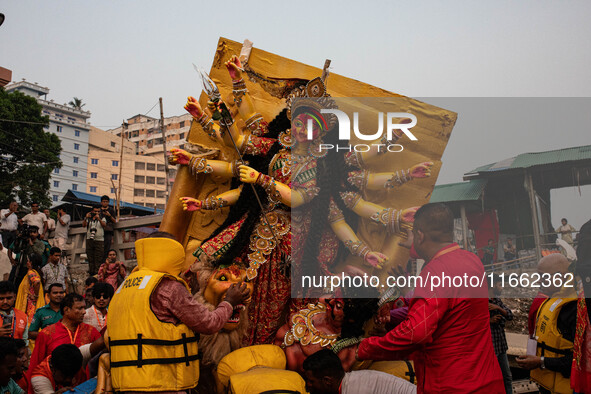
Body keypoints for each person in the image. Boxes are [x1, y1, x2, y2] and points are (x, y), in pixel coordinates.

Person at [356, 203, 504, 393]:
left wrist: (365, 348)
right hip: (487, 381)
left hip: (451, 385)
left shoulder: (435, 272)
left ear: (420, 235)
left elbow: (416, 333)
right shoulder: (472, 260)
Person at [108, 231, 251, 392]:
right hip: (162, 384)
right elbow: (209, 323)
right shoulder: (167, 287)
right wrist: (229, 301)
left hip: (126, 384)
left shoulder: (125, 286)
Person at [516, 253, 576, 393]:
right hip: (547, 385)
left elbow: (578, 361)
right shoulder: (551, 300)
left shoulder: (575, 309)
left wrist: (540, 361)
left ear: (560, 276)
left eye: (543, 277)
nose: (539, 282)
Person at [28, 294, 100, 376]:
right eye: (80, 308)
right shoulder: (46, 333)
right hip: (55, 386)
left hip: (85, 385)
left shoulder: (91, 331)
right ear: (66, 310)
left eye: (84, 307)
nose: (84, 312)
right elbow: (35, 365)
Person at [302, 349, 416, 394]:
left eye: (311, 381)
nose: (308, 385)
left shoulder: (354, 390)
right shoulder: (350, 381)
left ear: (327, 381)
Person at [488, 275, 514, 394]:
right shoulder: (482, 301)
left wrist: (498, 308)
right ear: (493, 285)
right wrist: (490, 320)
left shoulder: (497, 300)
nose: (502, 287)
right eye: (499, 284)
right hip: (490, 348)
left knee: (507, 377)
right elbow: (474, 321)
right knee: (492, 379)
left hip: (501, 346)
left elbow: (509, 315)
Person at [15, 254, 45, 323]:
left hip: (30, 303)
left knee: (28, 322)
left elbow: (36, 282)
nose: (27, 262)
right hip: (32, 302)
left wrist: (35, 295)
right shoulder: (37, 272)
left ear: (31, 263)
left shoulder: (31, 272)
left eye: (28, 261)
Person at [82, 206, 106, 276]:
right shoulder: (89, 218)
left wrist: (99, 219)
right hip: (89, 239)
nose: (97, 213)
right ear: (92, 211)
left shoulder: (102, 217)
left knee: (98, 257)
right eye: (95, 211)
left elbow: (104, 225)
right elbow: (83, 225)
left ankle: (97, 274)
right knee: (90, 257)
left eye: (98, 211)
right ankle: (91, 273)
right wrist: (86, 217)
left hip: (99, 240)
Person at [99, 196, 116, 263]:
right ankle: (100, 264)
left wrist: (109, 215)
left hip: (108, 231)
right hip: (99, 231)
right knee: (99, 248)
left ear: (108, 202)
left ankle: (105, 262)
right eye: (104, 201)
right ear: (101, 202)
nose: (105, 203)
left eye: (106, 201)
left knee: (107, 247)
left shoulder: (111, 210)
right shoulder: (98, 210)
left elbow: (115, 221)